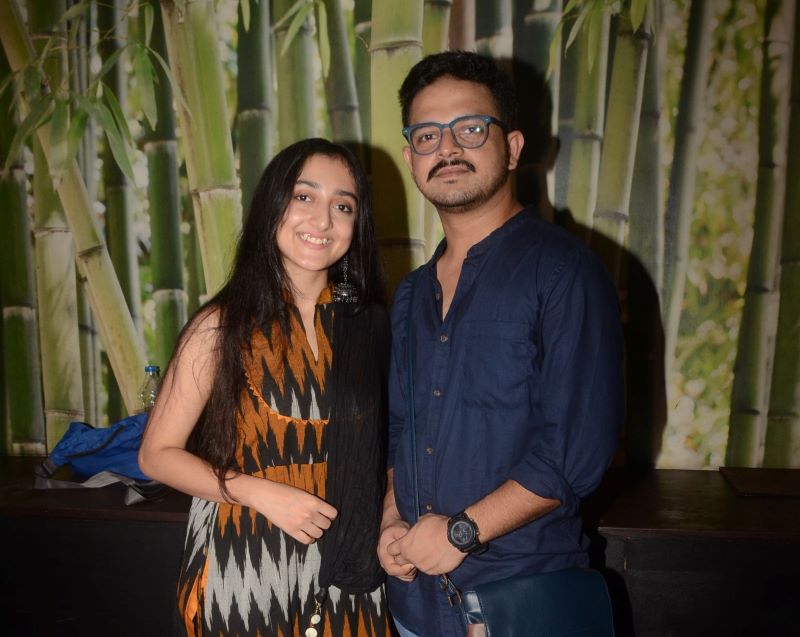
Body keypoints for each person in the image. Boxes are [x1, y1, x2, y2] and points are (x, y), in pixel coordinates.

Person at [377, 51, 624, 636]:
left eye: (469, 128)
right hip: (415, 607)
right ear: (411, 157)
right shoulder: (411, 294)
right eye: (427, 135)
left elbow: (573, 454)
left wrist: (460, 533)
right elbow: (402, 430)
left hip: (521, 601)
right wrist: (390, 520)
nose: (447, 148)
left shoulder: (563, 272)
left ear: (511, 148)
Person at [139, 138, 393, 637]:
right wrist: (262, 493)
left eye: (343, 206)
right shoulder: (222, 325)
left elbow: (385, 450)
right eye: (304, 196)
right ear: (272, 206)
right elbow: (156, 455)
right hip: (247, 562)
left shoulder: (368, 325)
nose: (323, 220)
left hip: (348, 567)